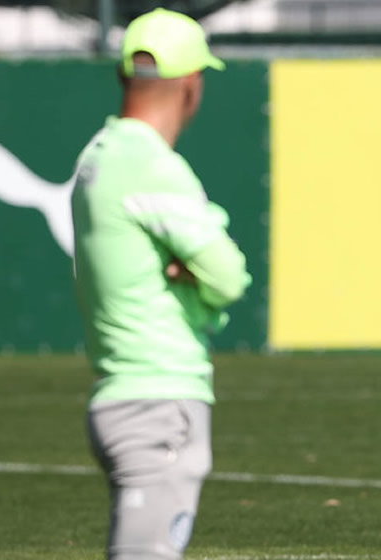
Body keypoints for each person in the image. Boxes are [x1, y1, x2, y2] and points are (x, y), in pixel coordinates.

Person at [71, 9, 251, 559]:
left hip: (125, 398)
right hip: (156, 403)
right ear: (190, 84)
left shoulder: (97, 157)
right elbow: (229, 274)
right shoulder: (151, 166)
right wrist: (196, 274)